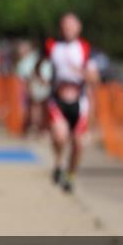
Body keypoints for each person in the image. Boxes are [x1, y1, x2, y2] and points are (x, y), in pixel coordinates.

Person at [39, 13, 100, 192]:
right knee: (60, 135)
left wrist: (81, 72)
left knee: (78, 143)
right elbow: (39, 64)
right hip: (57, 99)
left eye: (71, 26)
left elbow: (94, 78)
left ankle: (71, 175)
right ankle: (58, 164)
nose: (68, 29)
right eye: (65, 26)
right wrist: (41, 77)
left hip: (79, 101)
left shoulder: (85, 48)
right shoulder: (52, 46)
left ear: (78, 28)